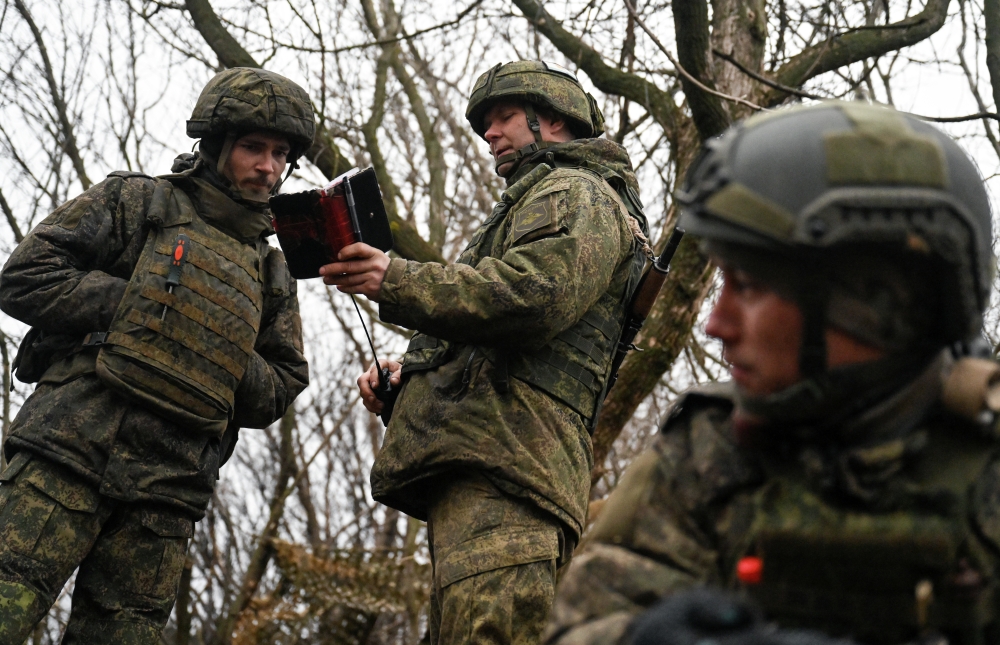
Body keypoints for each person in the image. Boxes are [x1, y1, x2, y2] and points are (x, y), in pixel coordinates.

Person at [544, 101, 999, 645]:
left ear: (875, 305)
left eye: (750, 287)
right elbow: (583, 624)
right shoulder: (710, 454)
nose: (716, 324)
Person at [321, 60, 651, 644]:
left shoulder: (578, 193)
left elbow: (533, 298)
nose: (490, 134)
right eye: (485, 125)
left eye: (503, 118)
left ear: (552, 120)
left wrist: (396, 279)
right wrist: (410, 376)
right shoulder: (534, 203)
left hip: (512, 473)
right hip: (490, 468)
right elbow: (492, 333)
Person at [0, 67, 311, 643]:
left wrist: (219, 346)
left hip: (167, 496)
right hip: (66, 453)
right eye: (253, 147)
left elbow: (283, 382)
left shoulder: (272, 271)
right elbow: (25, 277)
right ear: (216, 144)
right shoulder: (136, 202)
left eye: (280, 154)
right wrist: (135, 302)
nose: (268, 167)